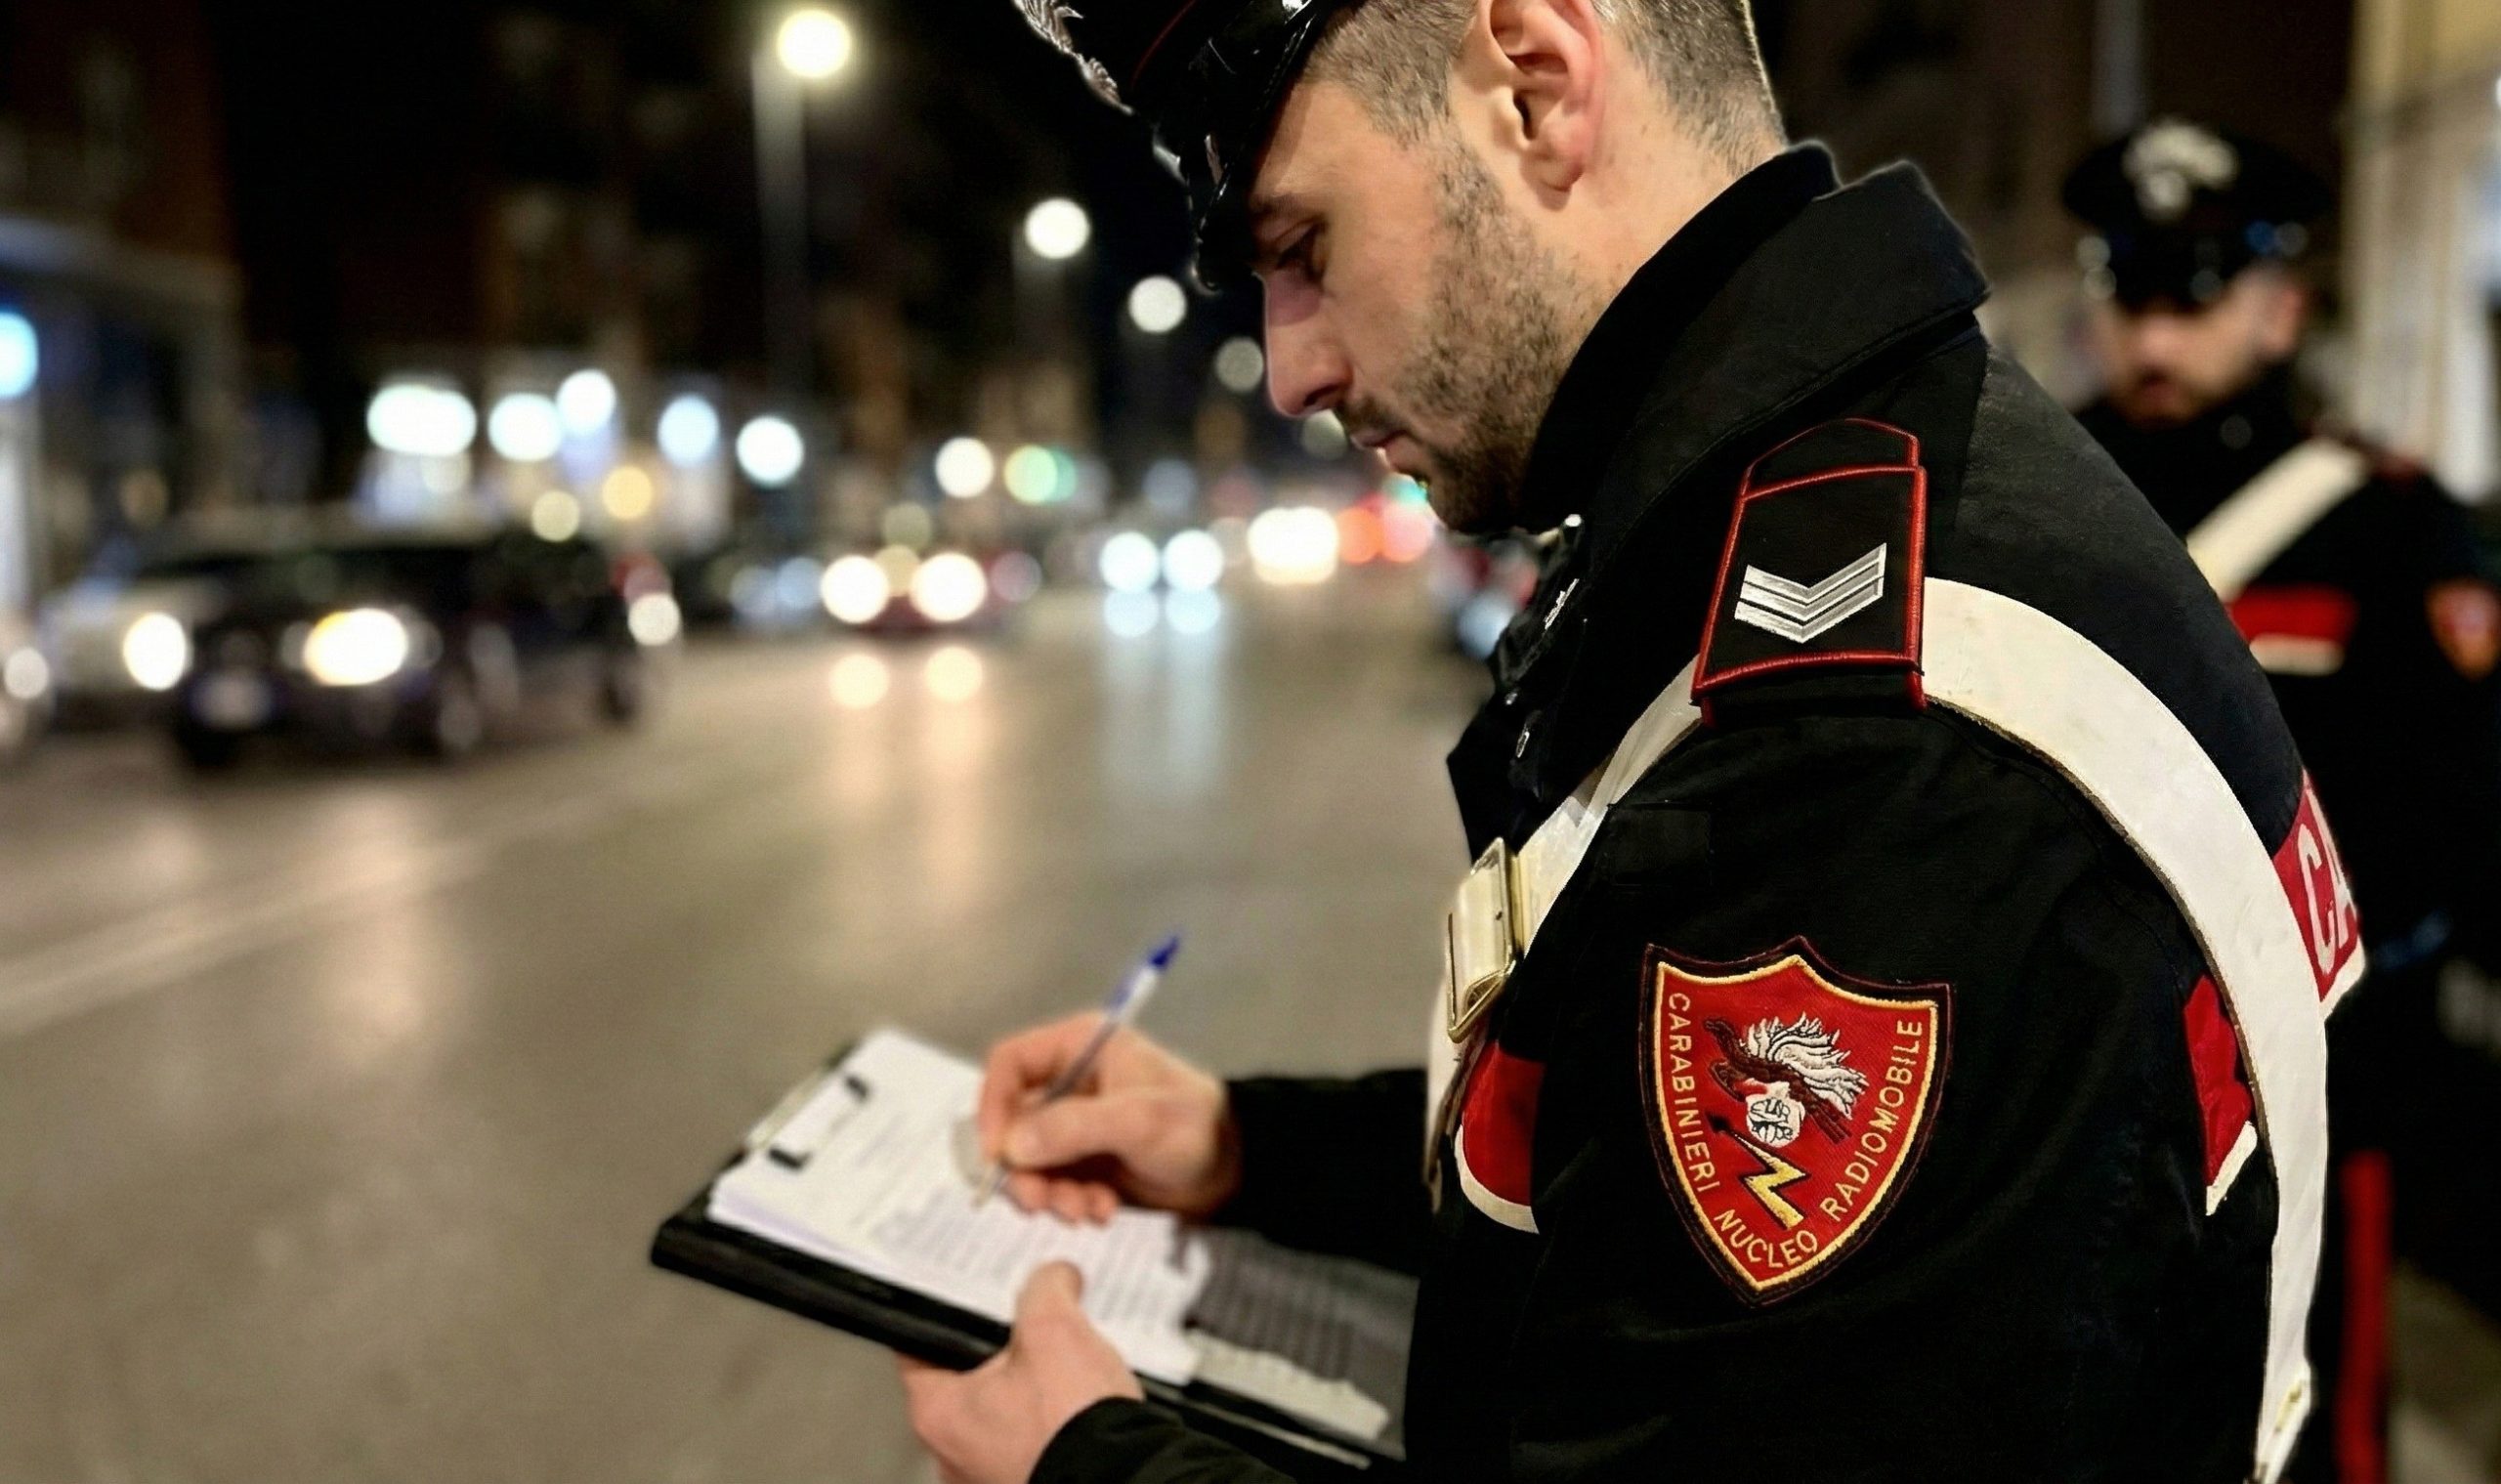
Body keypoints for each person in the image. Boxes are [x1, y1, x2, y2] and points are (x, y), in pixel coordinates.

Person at [899, 2, 2357, 1479]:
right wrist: (1251, 1152)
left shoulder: (1867, 745)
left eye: (1304, 249)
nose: (1291, 369)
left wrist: (1086, 1466)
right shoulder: (1821, 497)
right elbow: (1655, 1190)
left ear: (1534, 89)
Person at [2065, 118, 2501, 1484]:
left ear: (2279, 308)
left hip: (2312, 1092)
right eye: (2133, 293)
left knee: (2306, 1435)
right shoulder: (2038, 496)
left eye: (2191, 299)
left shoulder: (2387, 528)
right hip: (2080, 1082)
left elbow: (2456, 817)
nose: (2154, 338)